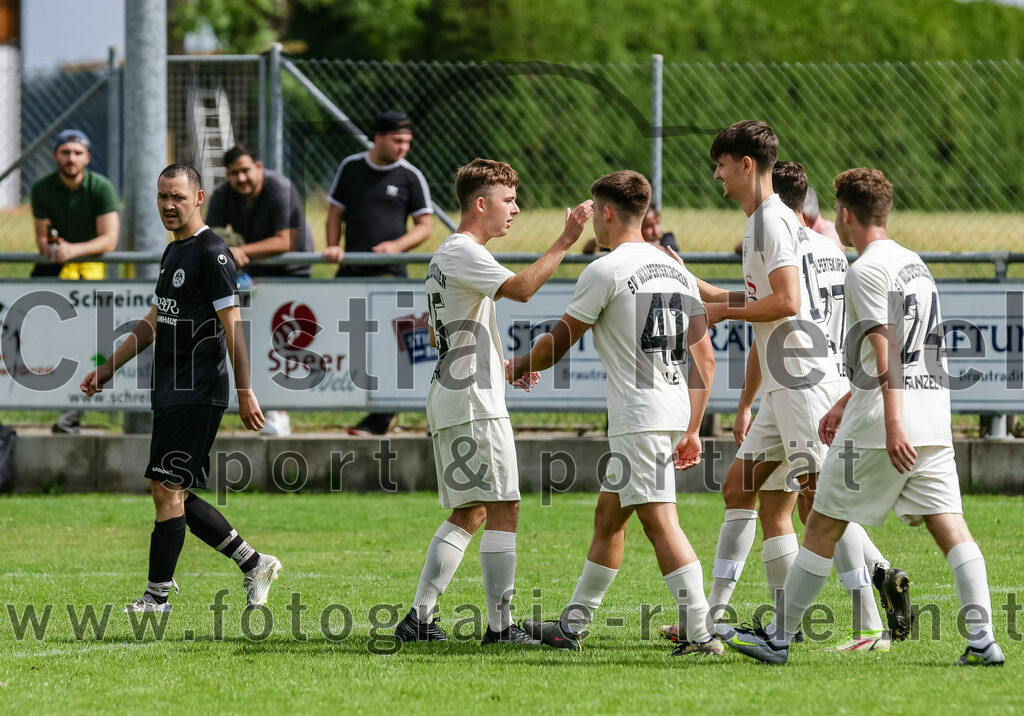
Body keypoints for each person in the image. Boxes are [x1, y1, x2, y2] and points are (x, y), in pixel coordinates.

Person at [721, 168, 1005, 667]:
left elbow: (886, 348)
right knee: (952, 529)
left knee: (822, 523)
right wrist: (845, 400)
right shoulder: (915, 264)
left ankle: (779, 638)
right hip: (933, 417)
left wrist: (889, 420)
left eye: (837, 211)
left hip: (884, 423)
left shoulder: (866, 270)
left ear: (847, 215)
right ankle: (983, 641)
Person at [662, 160, 903, 653]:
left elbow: (778, 308)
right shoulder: (826, 246)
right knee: (742, 488)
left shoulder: (773, 235)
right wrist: (706, 290)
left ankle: (869, 624)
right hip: (786, 383)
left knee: (819, 501)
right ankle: (714, 620)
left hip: (803, 382)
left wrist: (721, 306)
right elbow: (768, 312)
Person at [509, 171, 723, 657]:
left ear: (606, 213)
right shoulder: (673, 267)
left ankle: (701, 633)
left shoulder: (605, 270)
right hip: (669, 408)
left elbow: (555, 347)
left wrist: (514, 366)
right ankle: (571, 627)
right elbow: (705, 357)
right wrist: (692, 426)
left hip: (640, 413)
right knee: (610, 518)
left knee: (659, 521)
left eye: (595, 214)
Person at [392, 158, 593, 645]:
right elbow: (522, 290)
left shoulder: (450, 254)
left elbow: (464, 327)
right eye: (508, 200)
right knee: (504, 506)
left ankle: (419, 619)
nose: (516, 210)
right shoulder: (463, 250)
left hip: (457, 393)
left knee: (472, 511)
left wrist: (502, 368)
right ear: (480, 204)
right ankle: (500, 629)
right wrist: (566, 239)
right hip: (471, 402)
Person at [80, 163, 281, 613]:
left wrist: (245, 391)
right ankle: (253, 563)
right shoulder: (174, 253)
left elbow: (234, 328)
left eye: (178, 197)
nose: (169, 206)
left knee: (166, 490)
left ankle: (157, 597)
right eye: (162, 197)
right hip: (170, 387)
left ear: (199, 198)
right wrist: (109, 366)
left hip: (198, 389)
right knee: (177, 493)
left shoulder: (213, 253)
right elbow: (155, 321)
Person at [324, 110, 433, 436]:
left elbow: (424, 226)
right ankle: (368, 407)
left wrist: (396, 246)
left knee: (389, 345)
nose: (403, 148)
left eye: (407, 142)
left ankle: (383, 415)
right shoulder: (351, 167)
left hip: (389, 273)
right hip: (351, 271)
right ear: (378, 137)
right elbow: (334, 212)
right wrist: (333, 246)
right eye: (397, 140)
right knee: (347, 340)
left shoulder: (410, 176)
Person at [206, 144, 314, 436]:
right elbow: (208, 236)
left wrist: (240, 250)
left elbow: (285, 242)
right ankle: (259, 404)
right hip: (252, 273)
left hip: (292, 271)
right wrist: (227, 250)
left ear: (259, 166)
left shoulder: (281, 188)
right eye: (233, 174)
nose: (240, 178)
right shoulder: (223, 195)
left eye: (244, 170)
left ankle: (279, 409)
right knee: (249, 341)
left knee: (283, 343)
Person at [31, 129, 120, 435]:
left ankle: (75, 409)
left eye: (77, 152)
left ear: (88, 158)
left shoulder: (101, 187)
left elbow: (110, 239)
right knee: (36, 338)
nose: (71, 158)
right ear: (55, 155)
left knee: (92, 346)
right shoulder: (42, 188)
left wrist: (74, 251)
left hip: (93, 274)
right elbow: (42, 239)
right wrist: (54, 250)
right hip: (55, 273)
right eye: (66, 152)